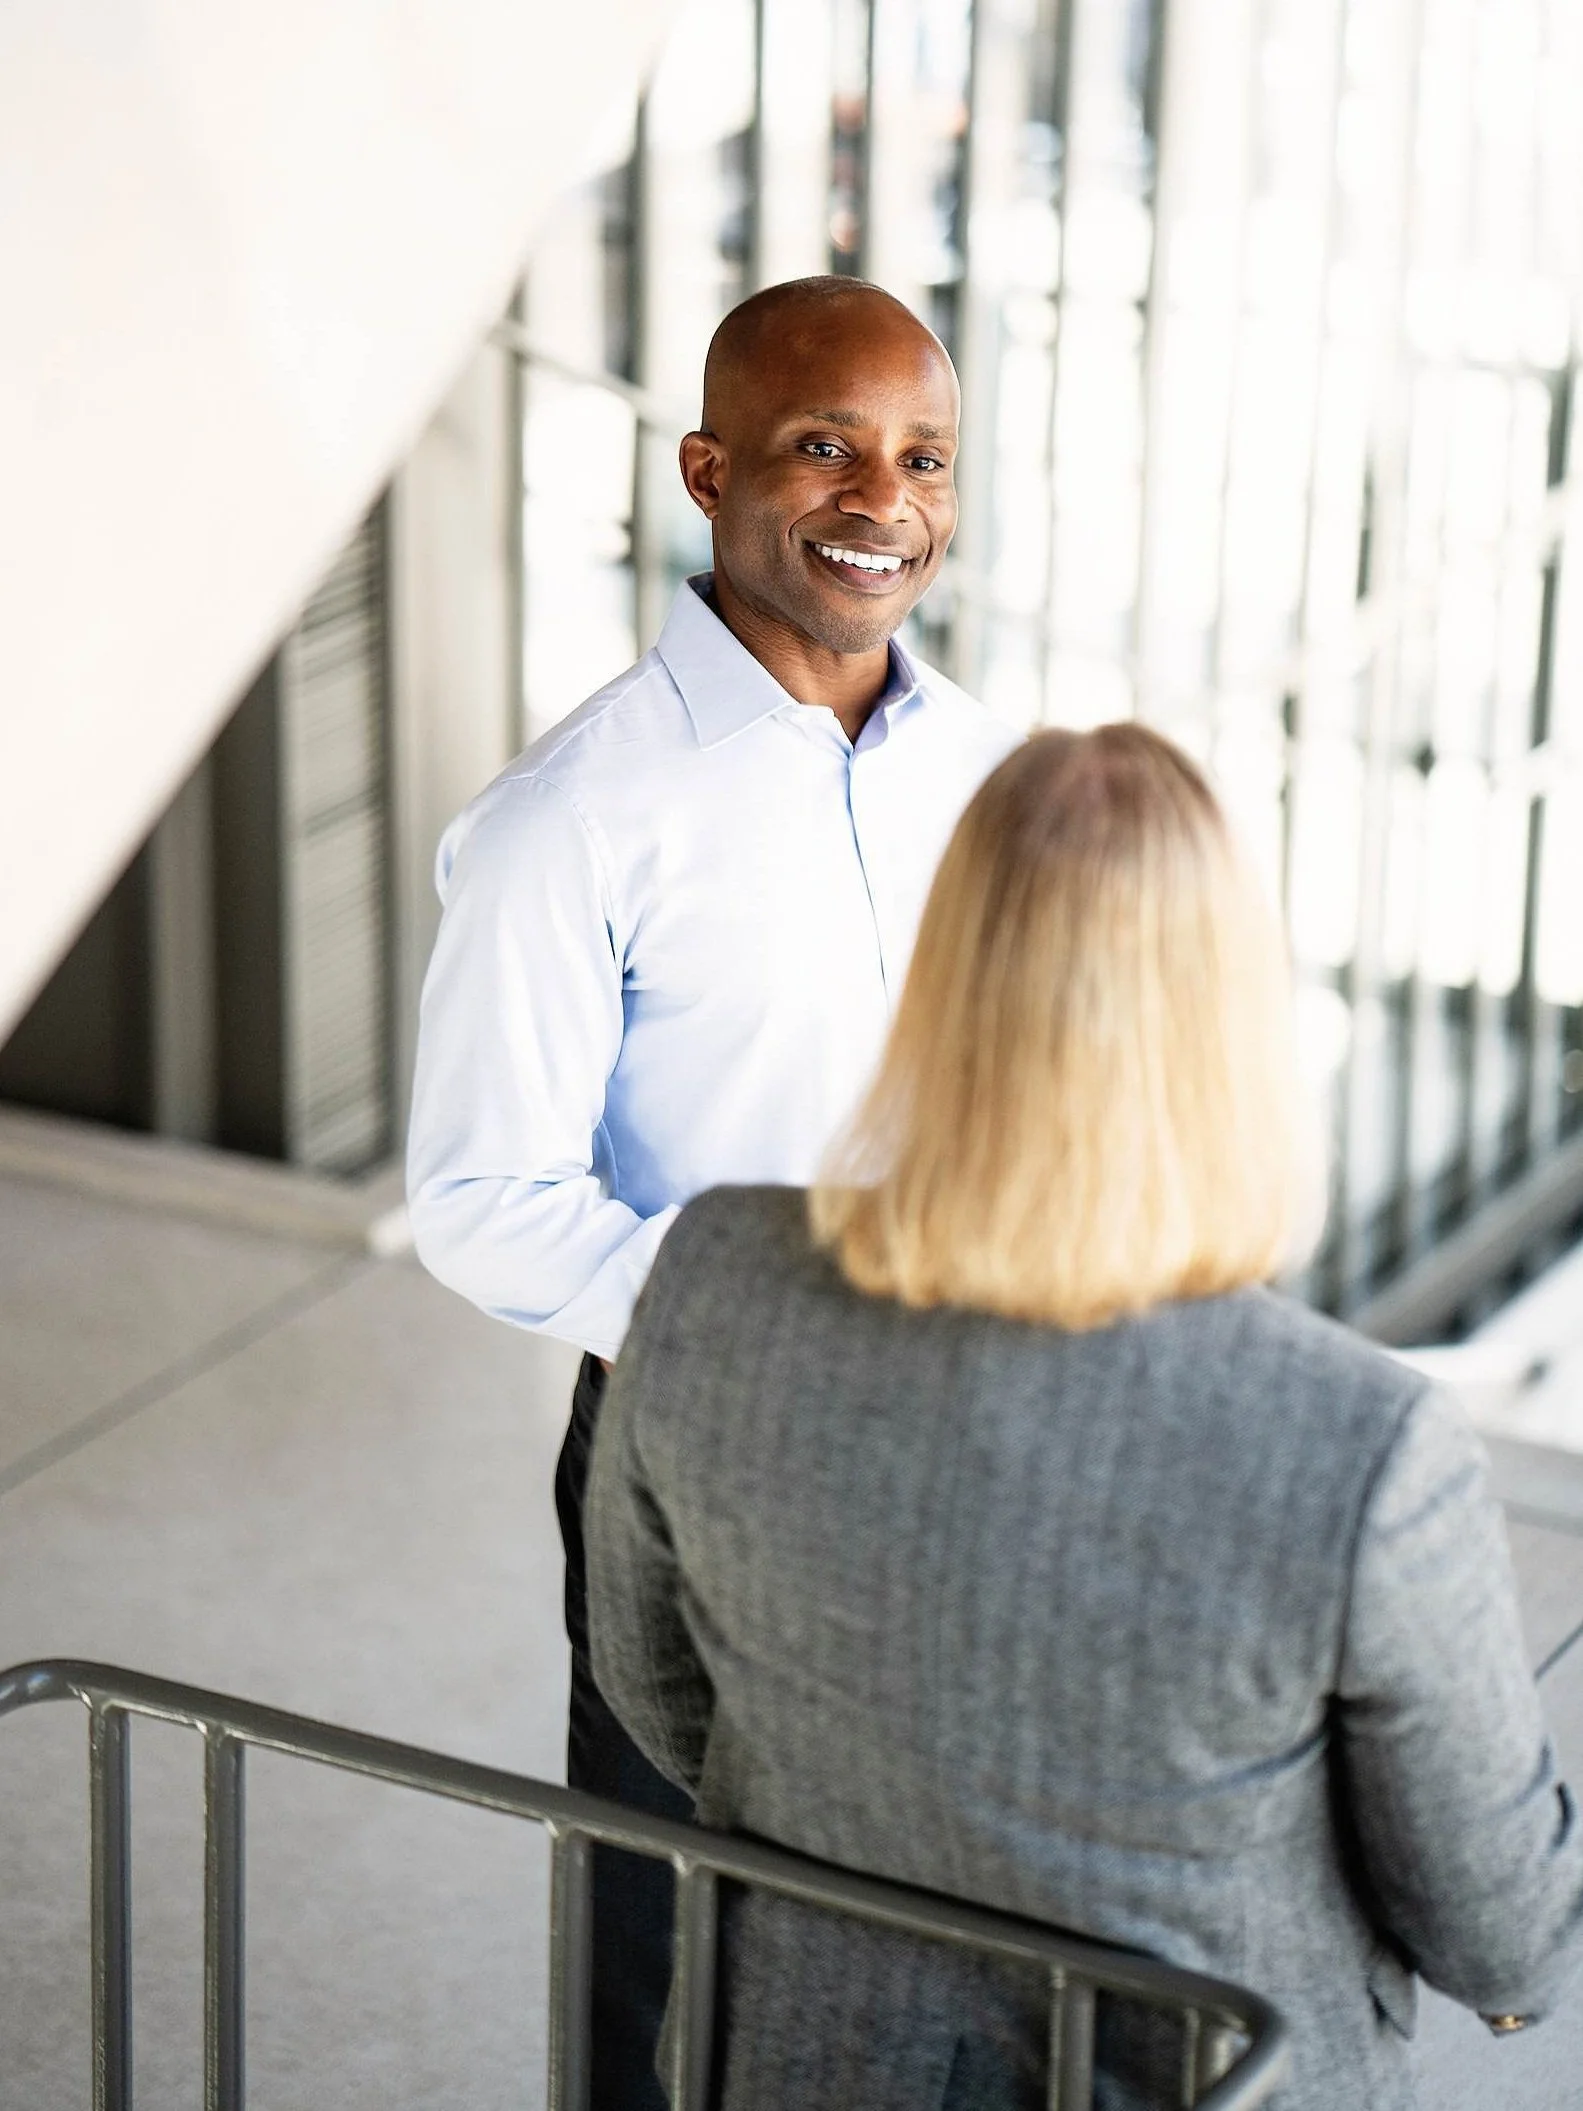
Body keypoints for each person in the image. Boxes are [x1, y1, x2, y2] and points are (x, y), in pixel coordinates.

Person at [584, 724, 1583, 2111]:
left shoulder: (712, 1275)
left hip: (798, 2056)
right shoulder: (1360, 1444)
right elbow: (1493, 1921)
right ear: (1234, 1026)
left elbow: (653, 1680)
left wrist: (873, 1811)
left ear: (943, 984)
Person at [406, 276, 1021, 2107]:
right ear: (708, 466)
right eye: (823, 444)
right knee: (671, 1923)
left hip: (963, 1420)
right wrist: (763, 1329)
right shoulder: (571, 819)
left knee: (936, 1902)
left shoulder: (987, 769)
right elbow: (477, 1197)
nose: (879, 498)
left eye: (923, 456)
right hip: (697, 1447)